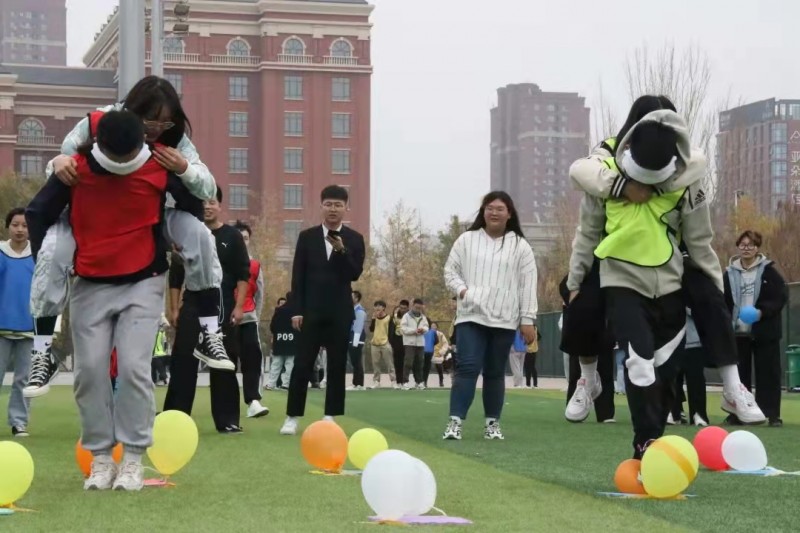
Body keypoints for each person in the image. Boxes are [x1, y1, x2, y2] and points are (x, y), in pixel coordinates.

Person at [24, 75, 228, 398]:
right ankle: (41, 351)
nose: (158, 128)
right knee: (51, 253)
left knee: (201, 237)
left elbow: (206, 187)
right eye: (151, 120)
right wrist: (57, 162)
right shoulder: (99, 124)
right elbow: (62, 164)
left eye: (165, 122)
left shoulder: (172, 142)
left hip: (148, 217)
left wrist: (184, 167)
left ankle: (210, 332)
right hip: (88, 218)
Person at [568, 94, 765, 426]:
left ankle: (734, 387)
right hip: (614, 255)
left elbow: (700, 238)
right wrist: (622, 186)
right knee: (581, 302)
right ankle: (587, 380)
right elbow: (580, 173)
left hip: (670, 255)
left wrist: (717, 289)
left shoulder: (685, 161)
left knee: (709, 296)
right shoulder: (609, 155)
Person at [25, 110, 172, 490]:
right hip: (90, 282)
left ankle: (134, 459)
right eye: (115, 157)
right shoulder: (74, 169)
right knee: (89, 371)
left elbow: (196, 200)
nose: (123, 164)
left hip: (144, 281)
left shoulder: (160, 164)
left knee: (134, 368)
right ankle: (102, 458)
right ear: (99, 146)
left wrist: (188, 169)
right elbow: (37, 212)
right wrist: (55, 261)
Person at [442, 191, 538, 440]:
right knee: (468, 367)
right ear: (483, 212)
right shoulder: (466, 240)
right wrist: (463, 291)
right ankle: (455, 422)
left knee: (495, 371)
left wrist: (527, 320)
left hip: (504, 318)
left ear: (509, 214)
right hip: (471, 316)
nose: (494, 213)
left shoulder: (520, 246)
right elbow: (450, 271)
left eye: (500, 209)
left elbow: (528, 285)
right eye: (489, 208)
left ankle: (492, 424)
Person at [280, 185, 365, 436]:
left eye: (338, 205)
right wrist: (296, 310)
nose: (333, 209)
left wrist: (341, 250)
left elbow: (354, 273)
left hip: (340, 311)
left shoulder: (354, 239)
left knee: (337, 365)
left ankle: (330, 416)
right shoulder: (307, 237)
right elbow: (298, 275)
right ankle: (292, 416)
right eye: (328, 204)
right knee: (303, 364)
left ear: (346, 208)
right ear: (321, 206)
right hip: (311, 311)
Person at [164, 188, 251, 434]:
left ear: (220, 205)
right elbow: (176, 274)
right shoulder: (187, 233)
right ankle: (175, 417)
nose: (207, 207)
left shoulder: (232, 236)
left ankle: (227, 420)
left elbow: (244, 274)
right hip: (192, 303)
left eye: (212, 202)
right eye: (203, 203)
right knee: (183, 359)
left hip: (222, 305)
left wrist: (239, 306)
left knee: (224, 363)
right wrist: (173, 308)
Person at [724, 230, 788, 427]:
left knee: (768, 374)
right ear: (738, 247)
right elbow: (723, 299)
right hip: (738, 332)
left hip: (764, 333)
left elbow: (780, 297)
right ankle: (737, 414)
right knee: (738, 378)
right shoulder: (729, 272)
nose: (746, 248)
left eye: (750, 245)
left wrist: (762, 312)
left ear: (757, 248)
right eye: (742, 245)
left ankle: (771, 414)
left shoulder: (769, 271)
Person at [0, 208, 34, 437]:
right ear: (7, 226)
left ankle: (19, 422)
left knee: (24, 380)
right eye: (15, 224)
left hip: (29, 328)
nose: (20, 229)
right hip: (1, 327)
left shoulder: (39, 253)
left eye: (24, 225)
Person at [234, 221, 269, 419]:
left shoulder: (255, 266)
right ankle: (227, 403)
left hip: (248, 318)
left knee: (252, 359)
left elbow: (260, 294)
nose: (242, 242)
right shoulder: (221, 263)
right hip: (224, 320)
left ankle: (253, 400)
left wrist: (255, 315)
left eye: (245, 239)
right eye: (239, 238)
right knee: (226, 363)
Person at [268, 293, 296, 391]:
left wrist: (276, 333)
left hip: (279, 340)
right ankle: (286, 384)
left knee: (276, 363)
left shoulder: (279, 310)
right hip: (292, 340)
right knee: (290, 364)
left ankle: (271, 384)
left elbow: (272, 326)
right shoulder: (296, 311)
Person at [401, 299, 429, 390]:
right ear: (412, 305)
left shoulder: (423, 317)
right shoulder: (406, 316)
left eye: (420, 308)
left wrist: (423, 330)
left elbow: (426, 327)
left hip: (420, 343)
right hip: (409, 343)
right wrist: (414, 331)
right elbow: (403, 329)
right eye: (416, 307)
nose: (418, 309)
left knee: (419, 363)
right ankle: (405, 382)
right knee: (408, 363)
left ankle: (419, 382)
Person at [369, 300, 397, 389]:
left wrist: (389, 342)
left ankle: (393, 381)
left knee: (389, 363)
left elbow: (392, 331)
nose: (377, 308)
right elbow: (371, 329)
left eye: (379, 306)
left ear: (383, 308)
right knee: (376, 364)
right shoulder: (374, 318)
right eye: (375, 306)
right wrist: (373, 319)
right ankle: (376, 381)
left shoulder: (389, 318)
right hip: (375, 343)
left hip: (385, 343)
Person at [347, 290, 367, 391]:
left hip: (356, 338)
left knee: (357, 361)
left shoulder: (360, 311)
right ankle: (357, 383)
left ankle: (358, 383)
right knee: (355, 361)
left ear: (356, 298)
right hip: (352, 337)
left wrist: (354, 342)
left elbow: (358, 327)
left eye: (351, 297)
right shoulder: (353, 310)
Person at [390, 300, 409, 384]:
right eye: (401, 308)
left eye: (404, 308)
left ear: (408, 308)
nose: (402, 310)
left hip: (408, 341)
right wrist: (391, 341)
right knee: (397, 362)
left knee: (407, 363)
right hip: (397, 341)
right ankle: (399, 381)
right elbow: (391, 330)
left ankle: (405, 381)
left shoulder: (410, 317)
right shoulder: (394, 317)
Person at [151, 317, 171, 386]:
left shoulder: (162, 333)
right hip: (155, 356)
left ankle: (163, 379)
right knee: (156, 364)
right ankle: (163, 379)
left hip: (161, 355)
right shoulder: (156, 332)